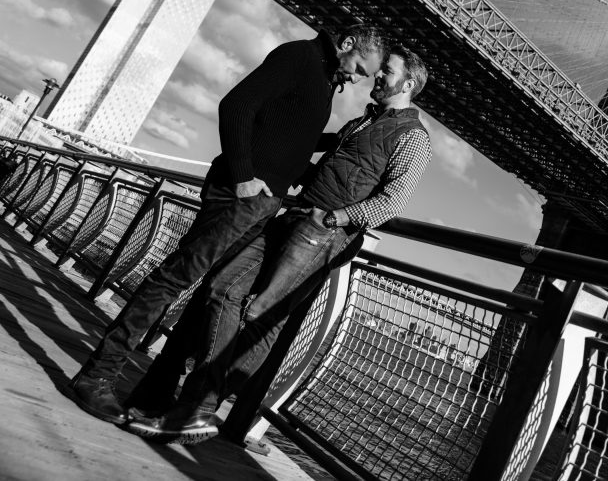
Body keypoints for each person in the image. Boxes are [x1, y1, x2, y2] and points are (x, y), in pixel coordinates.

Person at [69, 24, 386, 425]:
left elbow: (286, 134)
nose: (357, 80)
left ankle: (156, 391)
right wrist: (241, 176)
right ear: (347, 43)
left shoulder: (324, 79)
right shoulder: (298, 57)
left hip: (262, 204)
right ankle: (95, 377)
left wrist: (339, 147)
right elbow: (236, 106)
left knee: (207, 296)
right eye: (359, 68)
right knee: (173, 279)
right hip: (240, 197)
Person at [127, 44, 432, 444]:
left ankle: (196, 408)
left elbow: (394, 200)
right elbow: (324, 161)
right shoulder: (364, 120)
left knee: (262, 316)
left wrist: (336, 218)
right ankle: (197, 407)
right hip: (296, 214)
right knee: (222, 288)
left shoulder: (414, 137)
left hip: (323, 231)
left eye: (387, 71)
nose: (377, 75)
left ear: (407, 84)